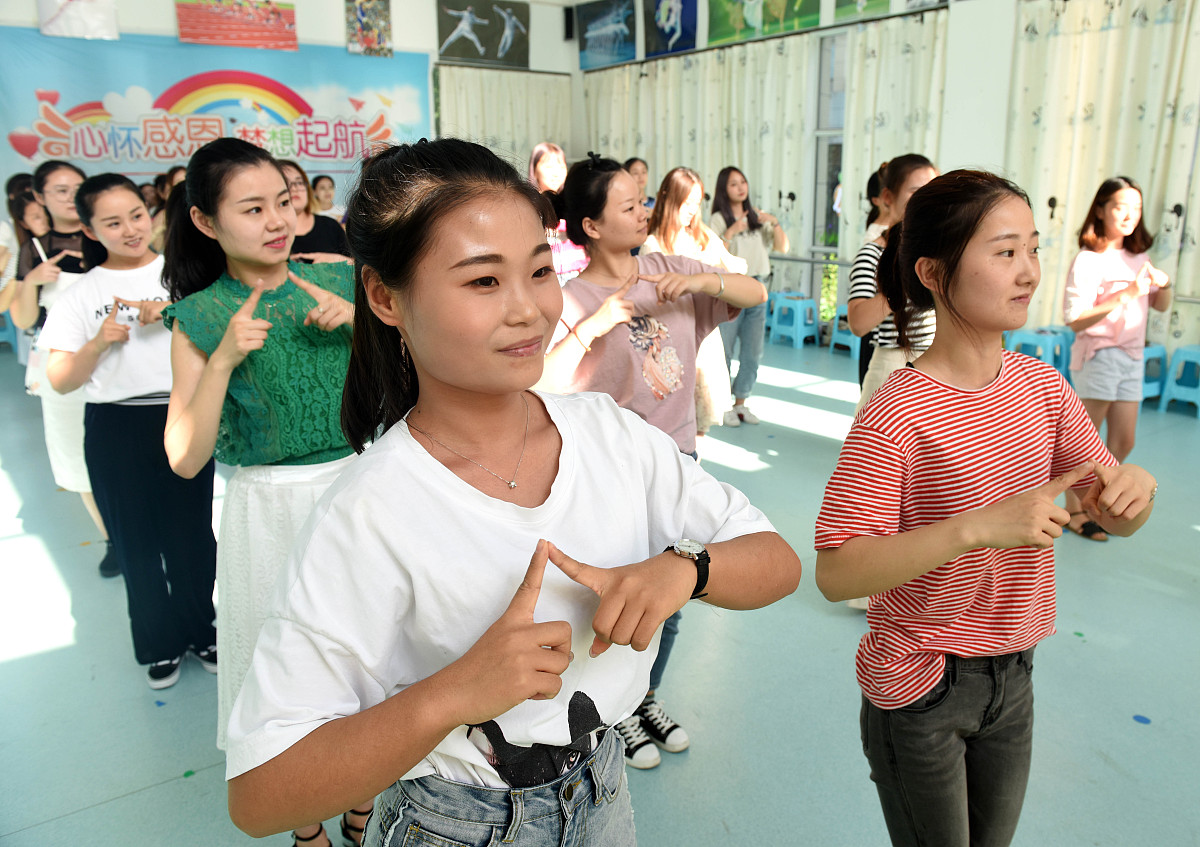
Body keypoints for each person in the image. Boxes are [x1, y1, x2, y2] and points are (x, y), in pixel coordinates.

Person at [223, 136, 800, 847]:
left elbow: (777, 561)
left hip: (603, 790)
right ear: (384, 296)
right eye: (483, 281)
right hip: (453, 823)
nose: (529, 309)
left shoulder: (610, 434)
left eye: (538, 271)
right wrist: (455, 692)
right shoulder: (371, 509)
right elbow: (259, 793)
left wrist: (687, 568)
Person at [814, 170, 1157, 847]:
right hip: (920, 684)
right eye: (1004, 252)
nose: (1028, 270)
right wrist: (975, 528)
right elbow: (836, 571)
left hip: (1015, 674)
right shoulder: (897, 411)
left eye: (1032, 248)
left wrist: (1136, 493)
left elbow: (1111, 509)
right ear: (933, 272)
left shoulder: (1041, 386)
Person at [159, 138, 367, 847]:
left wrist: (365, 326)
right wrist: (221, 360)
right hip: (269, 509)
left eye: (284, 201)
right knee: (284, 670)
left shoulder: (340, 281)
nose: (278, 220)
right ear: (205, 222)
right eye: (253, 209)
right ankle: (306, 825)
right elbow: (184, 457)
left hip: (358, 490)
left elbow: (417, 374)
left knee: (367, 654)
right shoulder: (199, 317)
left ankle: (363, 799)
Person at [540, 154, 766, 770]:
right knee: (611, 596)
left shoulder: (673, 270)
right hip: (607, 474)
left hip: (679, 460)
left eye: (642, 201)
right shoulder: (569, 298)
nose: (644, 212)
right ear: (591, 226)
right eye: (628, 205)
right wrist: (597, 323)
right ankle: (612, 713)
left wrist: (702, 284)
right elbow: (541, 383)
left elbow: (755, 292)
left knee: (672, 594)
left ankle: (646, 698)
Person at [40, 174, 218, 689]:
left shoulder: (183, 276)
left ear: (150, 214)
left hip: (181, 415)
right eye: (113, 223)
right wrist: (99, 342)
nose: (130, 229)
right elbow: (60, 379)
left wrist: (175, 314)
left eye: (136, 215)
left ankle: (201, 631)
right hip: (115, 425)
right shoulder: (79, 294)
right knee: (134, 542)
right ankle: (160, 645)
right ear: (90, 231)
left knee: (191, 537)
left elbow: (220, 337)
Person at [11, 161, 120, 578]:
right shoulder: (34, 250)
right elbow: (23, 319)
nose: (71, 197)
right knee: (77, 457)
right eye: (60, 190)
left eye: (77, 187)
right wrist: (32, 281)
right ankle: (111, 538)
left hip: (117, 359)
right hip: (62, 368)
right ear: (40, 197)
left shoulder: (106, 240)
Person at [1062, 176, 1172, 542]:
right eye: (1120, 207)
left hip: (1132, 356)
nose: (1129, 215)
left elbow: (1160, 305)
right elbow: (1075, 319)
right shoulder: (1088, 259)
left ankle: (1096, 498)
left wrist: (1165, 285)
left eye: (1136, 208)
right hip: (1099, 355)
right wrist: (1126, 293)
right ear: (1100, 210)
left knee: (1124, 441)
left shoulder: (1140, 258)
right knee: (1085, 443)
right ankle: (1075, 509)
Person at [642, 166, 748, 439]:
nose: (692, 210)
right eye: (686, 202)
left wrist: (715, 277)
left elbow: (736, 268)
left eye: (696, 203)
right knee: (670, 424)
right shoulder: (653, 245)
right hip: (670, 341)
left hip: (705, 339)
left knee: (700, 425)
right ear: (668, 198)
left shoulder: (703, 237)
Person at [847, 154, 938, 414]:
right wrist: (904, 282)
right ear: (888, 197)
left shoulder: (939, 251)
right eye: (916, 190)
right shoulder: (873, 253)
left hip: (937, 364)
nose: (926, 198)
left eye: (932, 189)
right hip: (894, 364)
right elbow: (858, 323)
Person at [710, 165, 789, 426]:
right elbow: (713, 256)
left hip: (758, 288)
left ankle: (741, 403)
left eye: (742, 182)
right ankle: (723, 405)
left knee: (753, 352)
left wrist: (774, 222)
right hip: (731, 288)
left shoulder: (757, 216)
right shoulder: (718, 219)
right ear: (724, 189)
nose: (740, 187)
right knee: (725, 350)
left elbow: (783, 247)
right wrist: (732, 231)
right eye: (733, 184)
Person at [529, 142, 587, 282]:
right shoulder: (528, 206)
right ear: (535, 170)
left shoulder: (574, 202)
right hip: (548, 278)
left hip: (581, 274)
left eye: (561, 166)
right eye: (549, 167)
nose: (556, 173)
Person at [279, 160, 352, 262]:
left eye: (299, 182)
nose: (295, 188)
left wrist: (338, 261)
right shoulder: (271, 232)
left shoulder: (330, 225)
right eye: (286, 183)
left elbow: (358, 266)